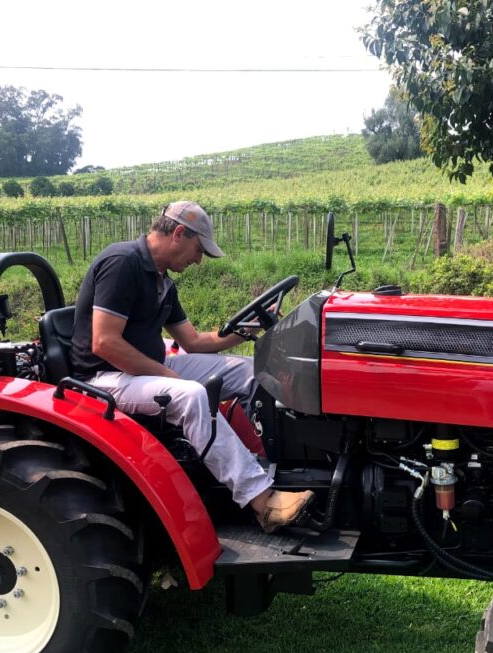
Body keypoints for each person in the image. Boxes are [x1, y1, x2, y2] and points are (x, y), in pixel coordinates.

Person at [69, 201, 314, 533]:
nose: (198, 260)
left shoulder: (162, 280)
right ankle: (262, 502)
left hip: (148, 368)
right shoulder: (122, 263)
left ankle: (278, 467)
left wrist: (253, 327)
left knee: (249, 371)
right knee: (192, 395)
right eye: (199, 250)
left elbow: (194, 341)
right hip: (105, 376)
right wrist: (168, 375)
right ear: (179, 234)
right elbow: (105, 343)